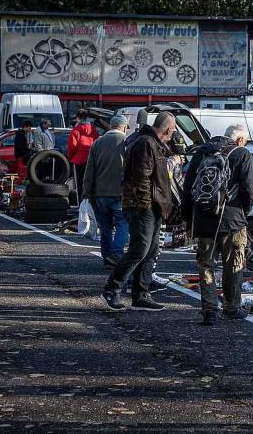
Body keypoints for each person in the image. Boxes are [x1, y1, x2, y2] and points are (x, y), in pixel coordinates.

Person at [100, 112, 176, 312]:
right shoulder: (146, 143)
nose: (175, 132)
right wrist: (144, 204)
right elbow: (141, 177)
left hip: (154, 205)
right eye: (174, 128)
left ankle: (141, 294)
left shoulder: (155, 144)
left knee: (150, 251)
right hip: (143, 206)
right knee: (140, 248)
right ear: (168, 129)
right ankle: (112, 288)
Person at [183, 124, 253, 325]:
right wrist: (244, 212)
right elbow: (250, 189)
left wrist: (189, 219)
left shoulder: (202, 152)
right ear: (240, 140)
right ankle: (231, 307)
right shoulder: (242, 154)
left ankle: (209, 309)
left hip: (204, 218)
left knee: (206, 264)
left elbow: (188, 185)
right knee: (233, 264)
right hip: (232, 219)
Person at [83, 114, 130, 270]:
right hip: (120, 193)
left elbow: (90, 171)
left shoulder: (97, 143)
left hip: (100, 194)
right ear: (123, 127)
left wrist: (87, 193)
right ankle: (116, 254)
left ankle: (107, 257)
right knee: (123, 224)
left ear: (111, 126)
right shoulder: (127, 143)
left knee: (105, 228)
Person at [67, 109, 100, 200]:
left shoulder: (76, 130)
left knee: (79, 184)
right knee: (91, 183)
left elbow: (72, 146)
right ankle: (91, 204)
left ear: (78, 118)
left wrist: (71, 158)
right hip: (92, 159)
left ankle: (81, 204)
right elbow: (97, 143)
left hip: (79, 160)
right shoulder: (93, 129)